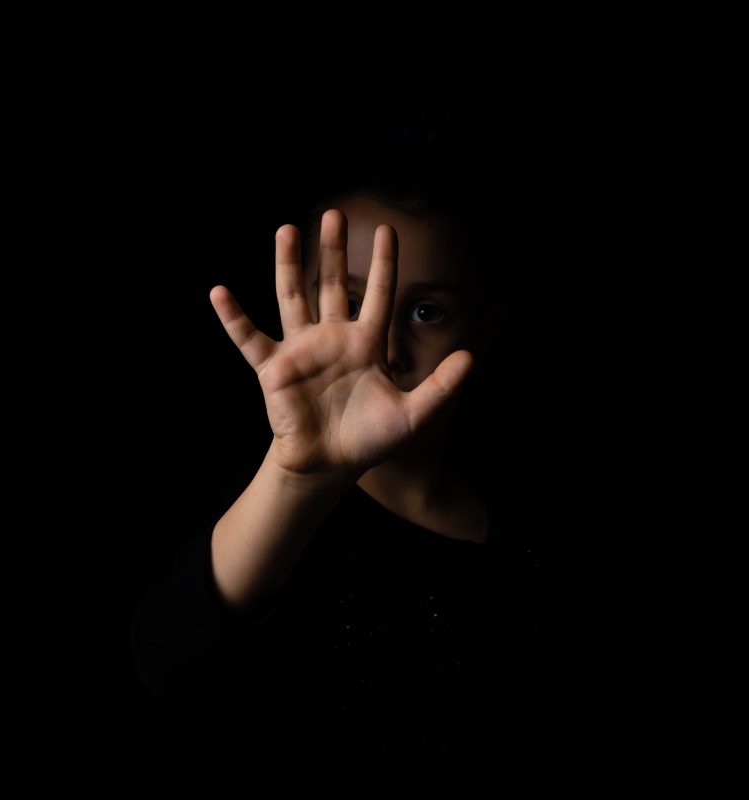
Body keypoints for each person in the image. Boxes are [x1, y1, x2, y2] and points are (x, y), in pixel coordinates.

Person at [131, 158, 586, 796]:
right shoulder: (276, 519)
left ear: (482, 323)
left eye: (427, 311)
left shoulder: (537, 521)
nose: (382, 347)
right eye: (348, 302)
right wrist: (298, 473)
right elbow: (164, 657)